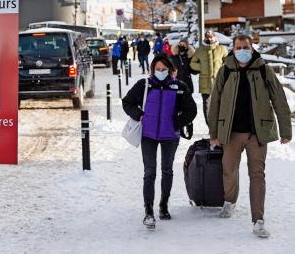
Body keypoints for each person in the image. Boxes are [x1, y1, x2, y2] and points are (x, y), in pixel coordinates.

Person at [208, 34, 292, 239]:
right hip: (231, 132)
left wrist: (285, 130)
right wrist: (214, 134)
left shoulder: (263, 69)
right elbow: (215, 102)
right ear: (233, 49)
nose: (242, 50)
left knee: (257, 175)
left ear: (252, 48)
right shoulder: (226, 70)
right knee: (228, 170)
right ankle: (230, 201)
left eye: (246, 47)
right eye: (239, 47)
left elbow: (279, 99)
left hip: (257, 133)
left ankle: (258, 220)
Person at [122, 54, 197, 229]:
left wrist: (177, 123)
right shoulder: (144, 85)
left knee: (167, 170)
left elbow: (191, 110)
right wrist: (139, 115)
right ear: (153, 69)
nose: (161, 72)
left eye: (164, 69)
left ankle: (163, 206)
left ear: (170, 70)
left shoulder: (179, 87)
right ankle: (148, 211)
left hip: (170, 136)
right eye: (158, 69)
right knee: (149, 172)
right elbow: (127, 102)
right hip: (148, 135)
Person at [189, 30, 227, 125]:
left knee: (220, 106)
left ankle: (220, 127)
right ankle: (210, 128)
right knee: (207, 107)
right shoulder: (200, 50)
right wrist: (202, 67)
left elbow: (228, 62)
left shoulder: (222, 49)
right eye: (207, 37)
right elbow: (192, 63)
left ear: (215, 37)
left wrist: (221, 69)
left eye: (211, 37)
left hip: (219, 83)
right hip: (205, 84)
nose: (209, 39)